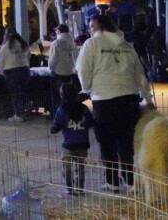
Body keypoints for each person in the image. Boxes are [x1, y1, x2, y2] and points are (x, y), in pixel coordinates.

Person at [76, 13, 154, 193]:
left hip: (104, 100)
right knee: (126, 143)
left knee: (106, 142)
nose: (90, 30)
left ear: (100, 27)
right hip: (129, 100)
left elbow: (82, 69)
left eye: (92, 26)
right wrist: (147, 98)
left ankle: (112, 182)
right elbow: (139, 73)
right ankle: (130, 180)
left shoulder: (92, 44)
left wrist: (87, 88)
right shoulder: (127, 46)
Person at [50, 82, 95, 196]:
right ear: (76, 94)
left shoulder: (62, 110)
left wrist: (54, 128)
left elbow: (56, 127)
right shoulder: (84, 109)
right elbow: (91, 122)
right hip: (83, 143)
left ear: (62, 96)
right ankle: (80, 188)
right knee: (80, 167)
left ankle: (69, 188)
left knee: (67, 167)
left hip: (68, 144)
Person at [0, 27, 31, 123]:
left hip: (12, 72)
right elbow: (28, 56)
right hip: (25, 70)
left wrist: (1, 72)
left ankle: (18, 114)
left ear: (6, 36)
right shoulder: (23, 44)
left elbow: (0, 61)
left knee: (15, 94)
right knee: (22, 92)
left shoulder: (5, 47)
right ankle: (23, 112)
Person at [48, 24, 78, 115]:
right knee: (68, 95)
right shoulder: (72, 42)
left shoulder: (56, 43)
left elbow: (53, 58)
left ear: (59, 31)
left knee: (58, 96)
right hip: (70, 72)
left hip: (58, 72)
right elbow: (76, 57)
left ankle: (59, 115)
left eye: (57, 30)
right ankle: (69, 113)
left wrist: (51, 68)